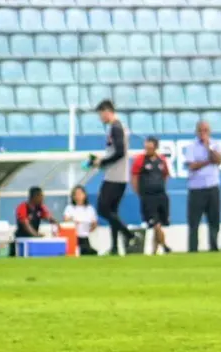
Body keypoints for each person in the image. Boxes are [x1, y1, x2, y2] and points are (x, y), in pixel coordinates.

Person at [93, 100, 137, 255]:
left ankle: (129, 234)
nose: (100, 118)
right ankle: (114, 247)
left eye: (100, 114)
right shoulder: (119, 127)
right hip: (119, 176)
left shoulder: (116, 127)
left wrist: (102, 162)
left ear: (107, 111)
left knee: (103, 209)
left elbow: (120, 152)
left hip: (114, 176)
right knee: (112, 212)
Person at [184, 120, 221, 252]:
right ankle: (193, 249)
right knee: (194, 222)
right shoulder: (191, 146)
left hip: (212, 186)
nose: (203, 133)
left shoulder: (216, 144)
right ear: (196, 132)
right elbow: (192, 165)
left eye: (205, 130)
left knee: (214, 220)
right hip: (196, 188)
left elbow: (218, 160)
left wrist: (208, 148)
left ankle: (214, 247)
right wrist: (208, 161)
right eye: (200, 130)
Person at [131, 136, 172, 255]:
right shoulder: (140, 160)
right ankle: (165, 246)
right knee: (155, 224)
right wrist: (139, 192)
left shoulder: (161, 160)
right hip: (148, 196)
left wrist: (162, 187)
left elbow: (166, 175)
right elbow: (134, 177)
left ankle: (155, 251)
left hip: (161, 195)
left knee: (159, 224)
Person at [11, 186, 58, 256]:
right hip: (21, 241)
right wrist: (36, 235)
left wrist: (56, 223)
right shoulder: (23, 207)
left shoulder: (41, 208)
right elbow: (25, 224)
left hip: (33, 241)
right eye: (41, 196)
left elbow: (48, 217)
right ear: (35, 197)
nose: (43, 198)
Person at [63, 185, 99, 256]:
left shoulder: (90, 208)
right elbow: (66, 220)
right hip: (73, 236)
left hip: (85, 236)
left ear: (84, 195)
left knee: (88, 252)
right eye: (76, 194)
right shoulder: (70, 208)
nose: (78, 196)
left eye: (80, 193)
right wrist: (73, 221)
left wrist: (90, 227)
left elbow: (94, 223)